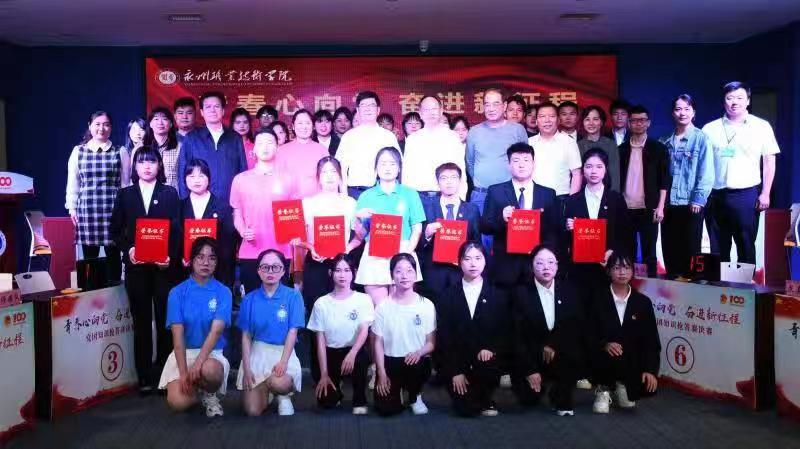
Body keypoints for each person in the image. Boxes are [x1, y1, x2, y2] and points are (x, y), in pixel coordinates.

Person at [110, 146, 181, 394]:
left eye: (152, 161)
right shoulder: (125, 194)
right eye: (142, 162)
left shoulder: (169, 193)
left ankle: (164, 375)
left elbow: (177, 230)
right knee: (140, 322)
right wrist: (129, 248)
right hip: (136, 268)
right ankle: (144, 377)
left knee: (164, 322)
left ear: (159, 165)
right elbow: (115, 230)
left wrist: (170, 257)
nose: (147, 166)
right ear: (135, 166)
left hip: (163, 269)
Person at [702, 81, 780, 264]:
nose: (734, 102)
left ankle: (746, 282)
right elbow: (703, 165)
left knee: (745, 245)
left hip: (746, 195)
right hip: (716, 195)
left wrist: (765, 193)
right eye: (730, 98)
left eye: (739, 98)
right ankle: (720, 282)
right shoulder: (710, 129)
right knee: (717, 247)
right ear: (724, 101)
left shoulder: (761, 126)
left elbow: (769, 161)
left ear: (748, 101)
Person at [159, 237, 232, 417]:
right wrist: (184, 372)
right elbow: (177, 337)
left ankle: (210, 393)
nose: (206, 262)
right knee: (178, 402)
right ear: (191, 260)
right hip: (184, 353)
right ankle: (197, 389)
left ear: (217, 262)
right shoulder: (177, 292)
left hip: (211, 354)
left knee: (210, 370)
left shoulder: (223, 292)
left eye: (212, 258)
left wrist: (198, 363)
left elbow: (216, 331)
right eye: (200, 257)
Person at [512, 245, 583, 416]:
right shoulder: (520, 293)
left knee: (575, 351)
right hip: (532, 353)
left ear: (557, 266)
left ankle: (560, 392)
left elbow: (573, 326)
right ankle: (537, 381)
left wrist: (553, 344)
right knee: (529, 399)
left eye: (551, 262)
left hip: (558, 350)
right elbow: (517, 335)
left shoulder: (569, 290)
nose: (546, 267)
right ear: (531, 266)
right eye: (540, 263)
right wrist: (530, 369)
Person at [437, 242, 504, 417]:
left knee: (488, 363)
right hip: (458, 361)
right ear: (459, 262)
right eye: (467, 259)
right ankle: (473, 396)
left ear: (485, 261)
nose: (473, 264)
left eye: (478, 258)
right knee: (466, 410)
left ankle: (487, 397)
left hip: (486, 358)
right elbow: (445, 337)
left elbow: (503, 330)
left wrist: (491, 348)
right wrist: (455, 371)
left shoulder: (497, 294)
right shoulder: (448, 295)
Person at [480, 142, 559, 288]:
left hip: (536, 263)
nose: (521, 165)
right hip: (506, 263)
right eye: (516, 161)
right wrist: (502, 218)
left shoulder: (548, 194)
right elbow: (485, 226)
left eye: (526, 160)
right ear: (509, 165)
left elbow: (553, 230)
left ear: (533, 164)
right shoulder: (495, 191)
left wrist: (547, 258)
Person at [237, 249, 305, 416]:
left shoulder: (293, 296)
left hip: (283, 351)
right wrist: (246, 368)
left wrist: (283, 362)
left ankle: (283, 395)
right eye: (265, 267)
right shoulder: (249, 299)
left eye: (275, 267)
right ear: (258, 271)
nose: (270, 271)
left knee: (280, 383)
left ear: (283, 271)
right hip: (258, 352)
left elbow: (293, 332)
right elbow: (246, 337)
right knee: (252, 411)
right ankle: (267, 390)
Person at [591, 251, 660, 414]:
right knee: (607, 349)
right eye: (616, 268)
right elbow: (589, 331)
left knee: (641, 390)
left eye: (627, 268)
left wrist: (650, 370)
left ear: (633, 271)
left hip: (630, 358)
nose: (622, 272)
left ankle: (623, 383)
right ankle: (603, 388)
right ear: (608, 271)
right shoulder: (597, 299)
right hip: (603, 355)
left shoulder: (643, 303)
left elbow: (651, 340)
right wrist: (604, 344)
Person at [354, 147, 424, 304]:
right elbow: (361, 234)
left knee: (400, 308)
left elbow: (417, 228)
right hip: (374, 255)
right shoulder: (366, 196)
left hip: (402, 250)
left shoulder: (410, 194)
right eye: (383, 164)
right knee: (379, 310)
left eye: (392, 164)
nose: (387, 168)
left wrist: (406, 255)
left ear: (399, 168)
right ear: (376, 168)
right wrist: (357, 218)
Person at [65, 111, 130, 283]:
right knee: (89, 257)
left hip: (113, 210)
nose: (102, 128)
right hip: (88, 210)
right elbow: (73, 183)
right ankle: (89, 293)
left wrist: (126, 211)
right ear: (90, 126)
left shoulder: (120, 151)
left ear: (111, 127)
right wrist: (72, 208)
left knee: (113, 255)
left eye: (106, 124)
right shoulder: (78, 151)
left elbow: (125, 185)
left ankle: (114, 293)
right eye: (97, 124)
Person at [230, 129, 295, 293]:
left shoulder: (289, 178)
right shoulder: (240, 179)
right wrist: (243, 231)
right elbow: (237, 214)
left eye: (270, 142)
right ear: (254, 149)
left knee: (279, 299)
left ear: (277, 147)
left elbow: (294, 215)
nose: (265, 147)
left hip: (281, 251)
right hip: (251, 250)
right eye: (260, 143)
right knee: (252, 299)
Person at [308, 254, 374, 414]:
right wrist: (324, 374)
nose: (342, 275)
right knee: (326, 401)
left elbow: (364, 330)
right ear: (330, 273)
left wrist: (352, 353)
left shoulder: (363, 299)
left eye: (346, 270)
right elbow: (320, 340)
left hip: (354, 351)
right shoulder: (321, 303)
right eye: (338, 270)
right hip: (330, 353)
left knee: (360, 358)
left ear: (354, 273)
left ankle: (359, 398)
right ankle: (336, 388)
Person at [372, 253, 436, 416]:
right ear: (392, 275)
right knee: (386, 409)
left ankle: (415, 396)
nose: (404, 276)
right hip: (390, 361)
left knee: (418, 365)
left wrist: (419, 353)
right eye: (399, 271)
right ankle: (397, 391)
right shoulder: (382, 306)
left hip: (415, 359)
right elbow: (378, 342)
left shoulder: (426, 305)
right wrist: (381, 372)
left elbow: (431, 343)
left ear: (416, 274)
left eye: (409, 271)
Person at [297, 157, 363, 313]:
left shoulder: (350, 203)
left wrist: (348, 248)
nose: (329, 176)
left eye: (333, 171)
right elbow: (297, 238)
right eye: (324, 172)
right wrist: (310, 247)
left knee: (343, 310)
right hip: (315, 261)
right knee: (316, 309)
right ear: (318, 177)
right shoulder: (307, 203)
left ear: (340, 176)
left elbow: (359, 237)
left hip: (342, 264)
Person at [563, 147, 633, 293]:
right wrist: (568, 228)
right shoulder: (572, 201)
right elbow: (564, 240)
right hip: (579, 269)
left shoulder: (616, 199)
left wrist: (612, 251)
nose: (593, 171)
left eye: (599, 166)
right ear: (583, 170)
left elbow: (626, 233)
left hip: (608, 265)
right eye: (589, 166)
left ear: (605, 170)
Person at [660, 94, 714, 278]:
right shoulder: (664, 141)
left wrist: (698, 198)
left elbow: (706, 172)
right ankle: (673, 287)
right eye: (678, 109)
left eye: (687, 109)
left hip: (690, 204)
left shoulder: (701, 139)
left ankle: (692, 288)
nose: (682, 113)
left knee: (690, 250)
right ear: (672, 113)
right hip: (668, 204)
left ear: (693, 112)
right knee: (670, 249)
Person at [619, 105, 671, 277]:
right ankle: (630, 286)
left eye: (642, 120)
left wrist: (661, 207)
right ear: (628, 124)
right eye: (634, 120)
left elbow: (664, 181)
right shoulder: (621, 150)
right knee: (628, 252)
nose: (638, 124)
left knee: (650, 254)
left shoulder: (658, 148)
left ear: (648, 123)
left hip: (649, 208)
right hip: (625, 209)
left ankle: (652, 287)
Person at [418, 163, 480, 301]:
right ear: (437, 182)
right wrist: (427, 234)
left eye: (453, 177)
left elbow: (477, 243)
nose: (449, 182)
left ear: (460, 181)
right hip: (433, 272)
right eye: (444, 178)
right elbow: (417, 243)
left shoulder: (472, 209)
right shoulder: (426, 207)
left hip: (460, 272)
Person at [466, 88, 529, 215]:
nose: (491, 109)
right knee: (480, 228)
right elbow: (470, 162)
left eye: (495, 104)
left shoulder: (517, 130)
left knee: (510, 228)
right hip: (481, 195)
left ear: (504, 106)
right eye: (487, 104)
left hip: (509, 194)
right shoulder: (474, 131)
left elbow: (526, 161)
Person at [177, 91, 247, 203]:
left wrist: (241, 203)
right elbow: (182, 172)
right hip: (199, 204)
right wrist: (185, 203)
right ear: (202, 112)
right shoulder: (191, 138)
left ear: (223, 111)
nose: (212, 110)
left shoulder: (235, 138)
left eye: (216, 106)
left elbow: (243, 172)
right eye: (208, 107)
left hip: (230, 202)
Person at [403, 95, 468, 208]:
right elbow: (406, 175)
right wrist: (408, 202)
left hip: (446, 197)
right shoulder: (412, 139)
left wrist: (460, 199)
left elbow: (460, 170)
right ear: (420, 113)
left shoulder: (452, 137)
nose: (431, 112)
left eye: (434, 108)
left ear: (441, 110)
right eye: (426, 109)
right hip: (418, 198)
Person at [181, 158, 236, 287]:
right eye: (191, 176)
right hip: (186, 270)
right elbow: (177, 237)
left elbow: (229, 241)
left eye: (201, 176)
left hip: (216, 271)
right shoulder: (180, 206)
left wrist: (214, 260)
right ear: (185, 179)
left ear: (209, 178)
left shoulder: (222, 207)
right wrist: (182, 257)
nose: (196, 180)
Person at [336, 91, 400, 199]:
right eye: (363, 105)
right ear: (357, 110)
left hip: (382, 192)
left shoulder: (388, 136)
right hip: (354, 193)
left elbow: (398, 165)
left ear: (378, 110)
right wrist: (344, 196)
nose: (367, 109)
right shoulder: (348, 137)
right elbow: (341, 169)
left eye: (371, 105)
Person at [530, 102, 583, 198]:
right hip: (534, 197)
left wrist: (571, 200)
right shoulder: (529, 143)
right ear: (536, 121)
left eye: (552, 116)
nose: (547, 120)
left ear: (558, 120)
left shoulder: (569, 142)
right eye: (542, 116)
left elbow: (577, 174)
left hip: (561, 198)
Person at [277, 109, 329, 199]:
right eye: (300, 123)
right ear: (293, 126)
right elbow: (277, 181)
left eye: (308, 123)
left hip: (316, 202)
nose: (304, 127)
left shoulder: (322, 150)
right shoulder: (281, 151)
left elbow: (328, 179)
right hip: (289, 204)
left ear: (313, 126)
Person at [578, 105, 621, 192]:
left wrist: (614, 195)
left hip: (606, 192)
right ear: (583, 122)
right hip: (583, 192)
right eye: (587, 119)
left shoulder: (610, 144)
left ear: (601, 122)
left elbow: (615, 174)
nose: (591, 123)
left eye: (595, 119)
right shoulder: (578, 145)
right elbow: (578, 174)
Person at [145, 107, 181, 189]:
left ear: (171, 124)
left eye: (164, 119)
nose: (160, 123)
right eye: (156, 119)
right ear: (150, 124)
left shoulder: (179, 147)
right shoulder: (141, 147)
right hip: (147, 194)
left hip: (172, 194)